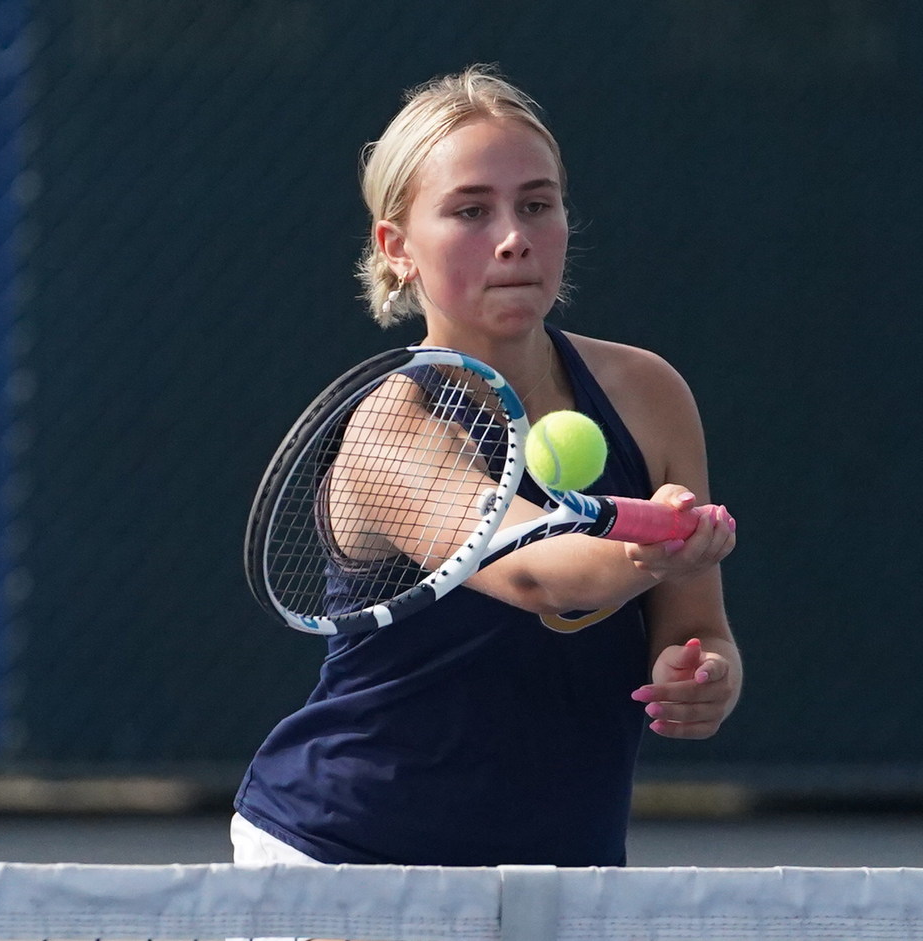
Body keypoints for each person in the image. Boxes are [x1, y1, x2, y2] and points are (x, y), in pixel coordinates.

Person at [233, 65, 741, 873]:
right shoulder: (391, 427)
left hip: (562, 866)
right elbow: (537, 573)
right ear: (397, 249)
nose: (514, 235)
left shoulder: (648, 392)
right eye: (471, 211)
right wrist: (650, 547)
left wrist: (704, 672)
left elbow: (694, 626)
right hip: (347, 858)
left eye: (536, 204)